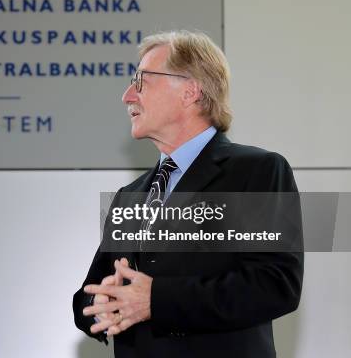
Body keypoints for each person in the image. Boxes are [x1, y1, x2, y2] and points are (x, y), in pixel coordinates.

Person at [73, 30, 303, 357]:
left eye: (141, 82)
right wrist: (100, 303)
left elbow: (276, 285)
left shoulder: (257, 172)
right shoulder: (130, 195)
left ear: (190, 91)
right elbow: (88, 293)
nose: (127, 96)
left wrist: (156, 301)